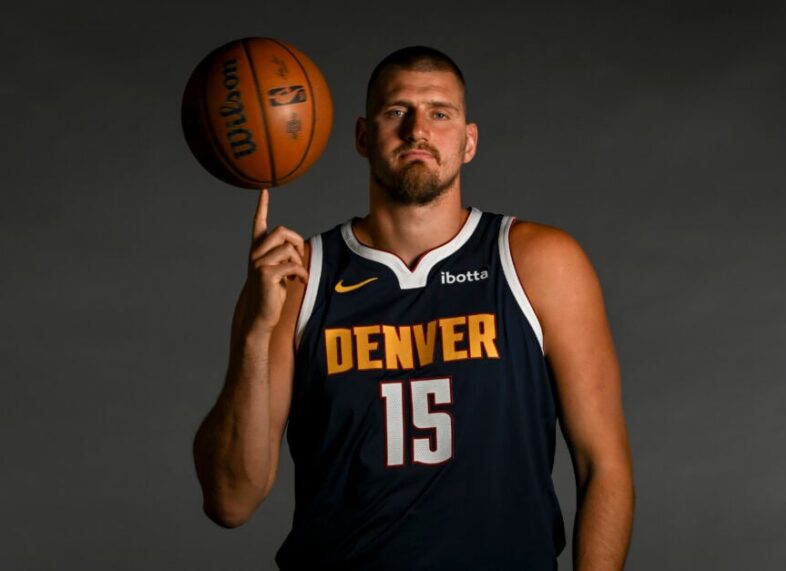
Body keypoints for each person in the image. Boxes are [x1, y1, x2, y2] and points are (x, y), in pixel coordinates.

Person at [193, 46, 634, 570]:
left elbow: (602, 463)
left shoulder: (538, 261)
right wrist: (256, 330)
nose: (417, 130)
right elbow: (231, 501)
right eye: (396, 111)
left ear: (469, 142)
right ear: (362, 136)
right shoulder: (295, 278)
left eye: (440, 113)